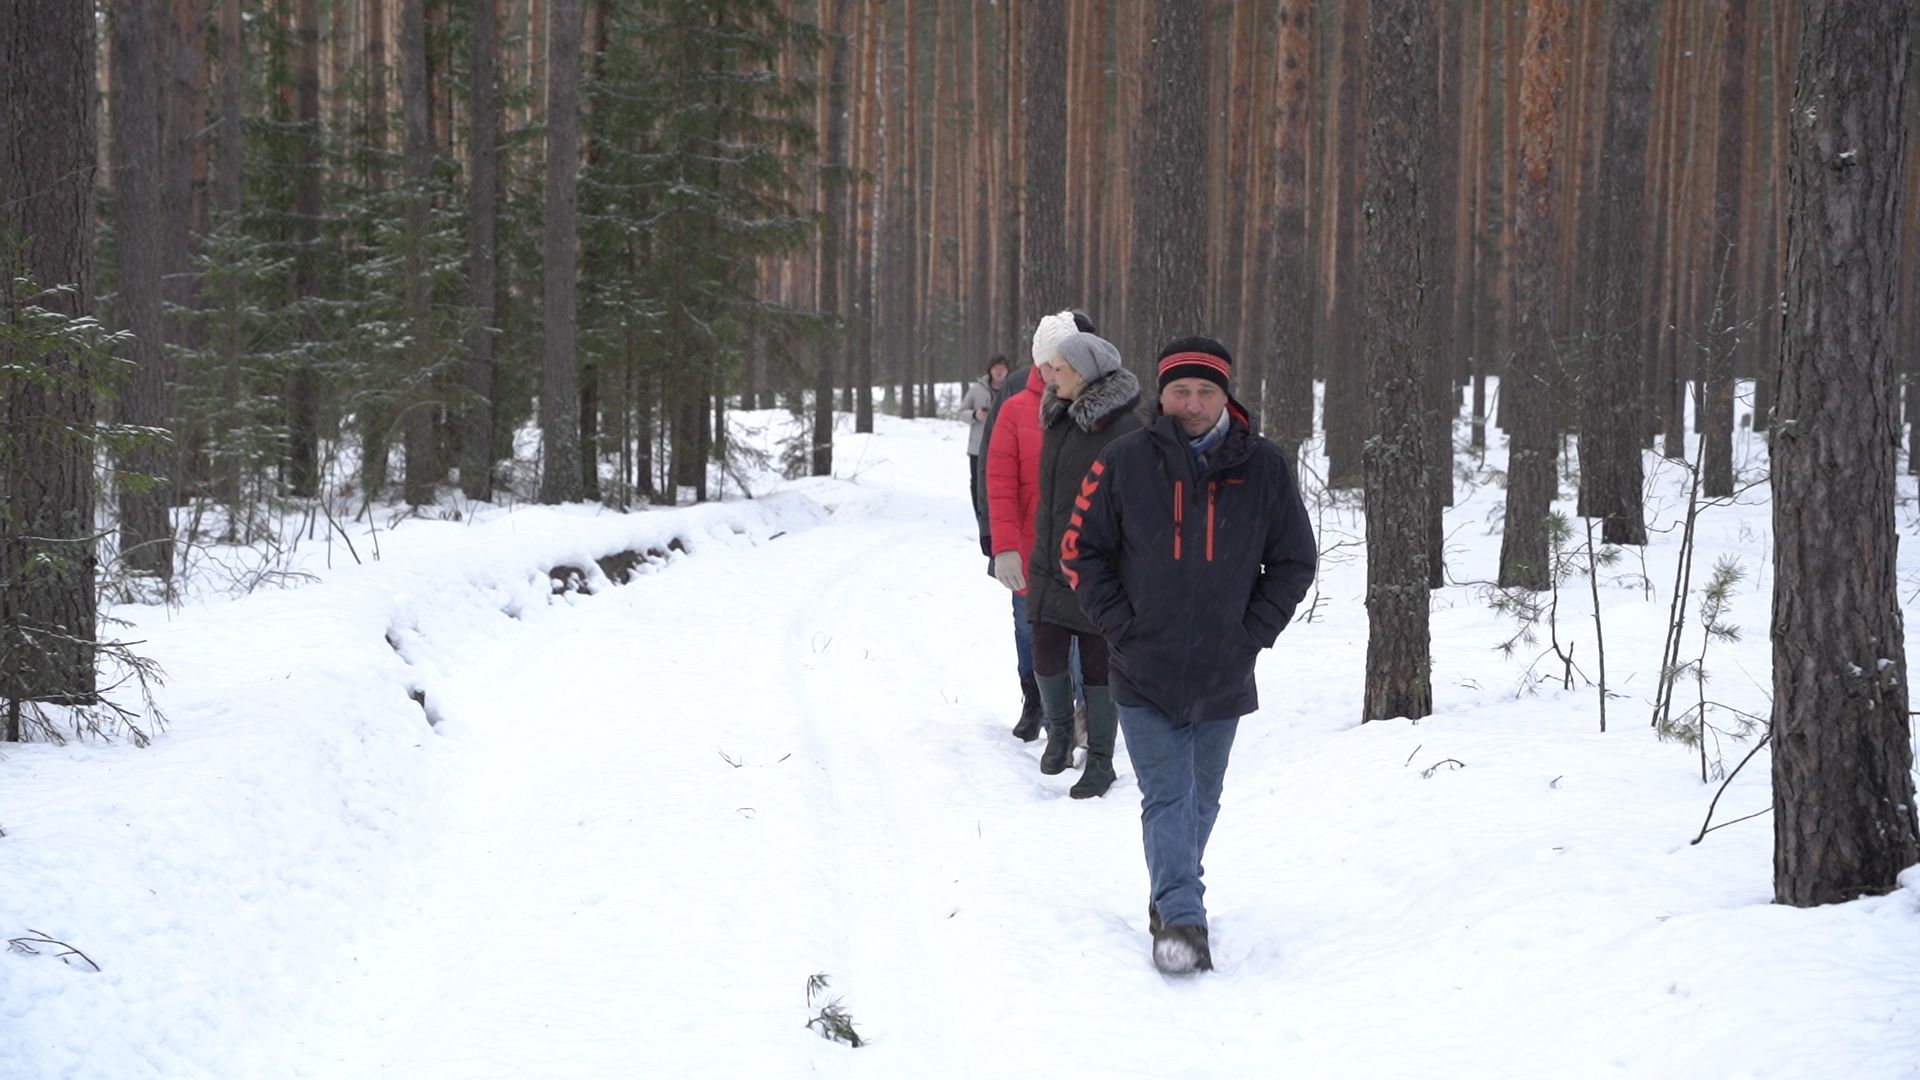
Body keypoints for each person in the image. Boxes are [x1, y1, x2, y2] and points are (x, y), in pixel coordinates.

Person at [1061, 336, 1316, 975]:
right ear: (1162, 394)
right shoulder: (1124, 461)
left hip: (1224, 667)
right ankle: (1181, 922)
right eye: (1181, 391)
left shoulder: (1264, 466)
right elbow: (1079, 550)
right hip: (1142, 664)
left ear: (1226, 394)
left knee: (1203, 798)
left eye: (1206, 391)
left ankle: (1169, 892)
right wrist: (1120, 625)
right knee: (1169, 795)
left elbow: (1293, 561)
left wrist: (1251, 631)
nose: (1193, 404)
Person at [1025, 332, 1143, 797]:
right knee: (1046, 647)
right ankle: (1058, 733)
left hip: (1099, 563)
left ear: (1086, 373)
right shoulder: (1056, 416)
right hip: (1049, 556)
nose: (1050, 375)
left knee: (1098, 664)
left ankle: (1100, 759)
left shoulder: (1125, 427)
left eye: (1059, 367)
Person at [982, 310, 1086, 742]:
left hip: (1083, 549)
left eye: (1061, 362)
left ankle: (1082, 717)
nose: (1052, 372)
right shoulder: (1015, 409)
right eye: (1045, 362)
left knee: (1084, 638)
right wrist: (1002, 548)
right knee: (1029, 631)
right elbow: (1000, 483)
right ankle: (1035, 698)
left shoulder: (1095, 407)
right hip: (1029, 548)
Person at [961, 355, 1010, 514]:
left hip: (1005, 446)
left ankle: (999, 514)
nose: (999, 371)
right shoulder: (976, 389)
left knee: (1001, 483)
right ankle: (980, 515)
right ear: (990, 370)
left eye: (1002, 368)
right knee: (978, 483)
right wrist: (976, 415)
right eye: (996, 367)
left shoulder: (1012, 389)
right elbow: (962, 412)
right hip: (979, 447)